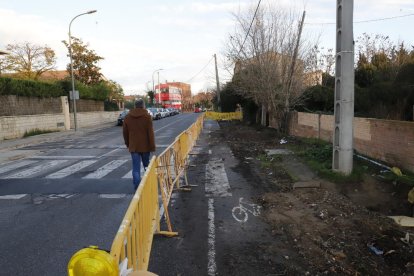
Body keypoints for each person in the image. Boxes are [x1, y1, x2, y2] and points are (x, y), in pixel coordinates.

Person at [123, 98, 155, 190]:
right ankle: (148, 183)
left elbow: (125, 133)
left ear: (135, 106)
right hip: (145, 146)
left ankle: (137, 187)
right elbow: (150, 133)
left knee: (136, 168)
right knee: (146, 166)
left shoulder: (128, 117)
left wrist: (128, 144)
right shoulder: (147, 117)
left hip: (134, 147)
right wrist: (152, 146)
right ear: (143, 105)